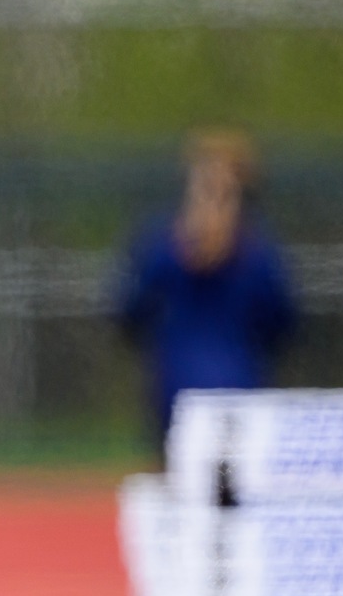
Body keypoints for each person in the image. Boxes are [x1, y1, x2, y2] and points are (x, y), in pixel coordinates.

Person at [117, 128, 299, 453]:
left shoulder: (165, 244)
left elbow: (129, 310)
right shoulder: (255, 249)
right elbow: (282, 322)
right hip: (221, 389)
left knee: (198, 488)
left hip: (196, 391)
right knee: (225, 490)